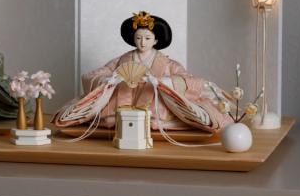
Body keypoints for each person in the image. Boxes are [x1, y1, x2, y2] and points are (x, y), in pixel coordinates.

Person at [53, 10, 232, 133]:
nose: (142, 42)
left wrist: (163, 83)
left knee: (167, 113)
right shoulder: (121, 61)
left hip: (155, 113)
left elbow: (189, 80)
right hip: (119, 113)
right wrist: (110, 80)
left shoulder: (167, 64)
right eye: (138, 38)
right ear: (133, 39)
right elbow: (92, 76)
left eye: (147, 38)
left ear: (156, 41)